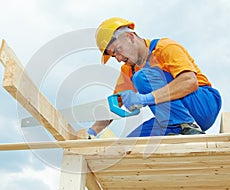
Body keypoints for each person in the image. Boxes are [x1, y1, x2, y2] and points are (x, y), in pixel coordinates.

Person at [86, 17, 222, 138]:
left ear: (130, 37)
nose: (118, 58)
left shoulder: (165, 47)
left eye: (117, 50)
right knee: (128, 147)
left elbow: (189, 82)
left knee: (141, 77)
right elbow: (115, 105)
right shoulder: (128, 69)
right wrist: (92, 131)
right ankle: (181, 126)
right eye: (114, 56)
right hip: (172, 119)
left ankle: (186, 125)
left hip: (202, 103)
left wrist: (145, 98)